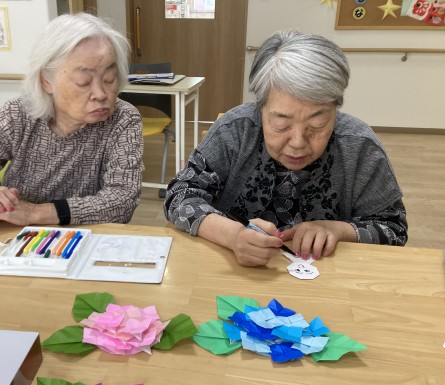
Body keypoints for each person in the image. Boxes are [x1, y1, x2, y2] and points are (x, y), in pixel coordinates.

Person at [165, 30, 407, 267]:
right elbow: (179, 196)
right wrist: (232, 235)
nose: (298, 142)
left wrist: (338, 229)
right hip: (234, 274)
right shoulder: (236, 131)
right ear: (260, 108)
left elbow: (394, 229)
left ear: (336, 107)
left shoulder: (359, 146)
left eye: (317, 124)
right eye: (281, 124)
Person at [0, 13, 143, 227]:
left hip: (89, 239)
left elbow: (122, 200)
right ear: (46, 81)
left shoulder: (122, 119)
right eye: (84, 81)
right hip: (18, 239)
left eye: (109, 78)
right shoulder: (18, 115)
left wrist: (35, 212)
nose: (101, 94)